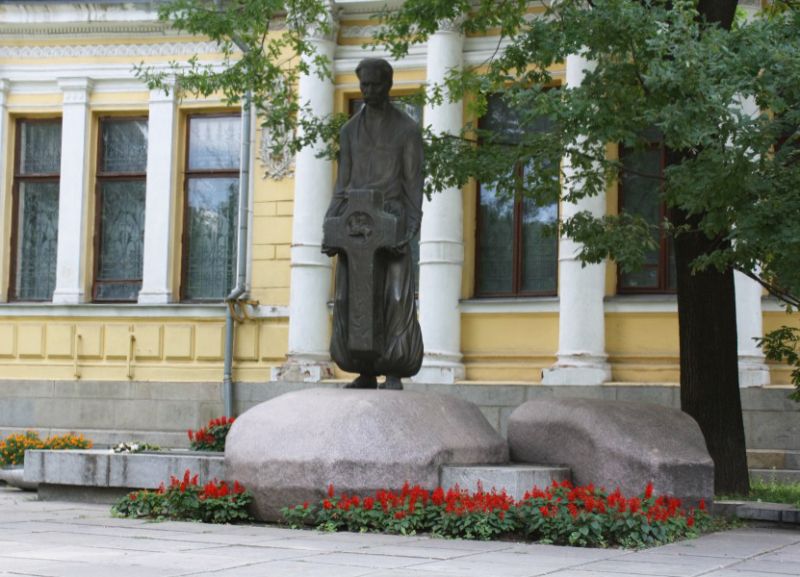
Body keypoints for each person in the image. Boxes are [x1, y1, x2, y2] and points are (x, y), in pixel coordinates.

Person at [322, 58, 424, 390]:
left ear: (388, 84)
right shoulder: (348, 131)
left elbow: (413, 188)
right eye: (363, 85)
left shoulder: (407, 130)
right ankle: (364, 369)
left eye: (375, 85)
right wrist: (330, 226)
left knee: (394, 298)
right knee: (353, 300)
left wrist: (407, 232)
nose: (368, 91)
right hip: (355, 228)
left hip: (391, 225)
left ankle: (394, 369)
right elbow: (342, 184)